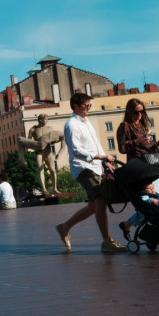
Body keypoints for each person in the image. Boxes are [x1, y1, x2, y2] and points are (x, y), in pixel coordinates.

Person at [54, 93, 126, 253]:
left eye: (89, 106)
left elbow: (96, 144)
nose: (88, 108)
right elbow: (76, 151)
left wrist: (105, 161)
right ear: (76, 106)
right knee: (101, 200)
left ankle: (65, 227)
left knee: (94, 205)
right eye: (86, 106)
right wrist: (101, 157)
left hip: (96, 166)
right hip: (83, 167)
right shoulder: (71, 124)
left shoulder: (86, 122)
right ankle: (107, 241)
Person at [116, 98, 159, 194]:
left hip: (150, 166)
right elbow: (122, 148)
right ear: (129, 112)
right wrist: (137, 141)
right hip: (139, 168)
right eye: (136, 112)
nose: (139, 115)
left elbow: (146, 147)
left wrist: (157, 146)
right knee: (148, 198)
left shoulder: (142, 126)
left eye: (142, 112)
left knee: (156, 195)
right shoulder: (125, 126)